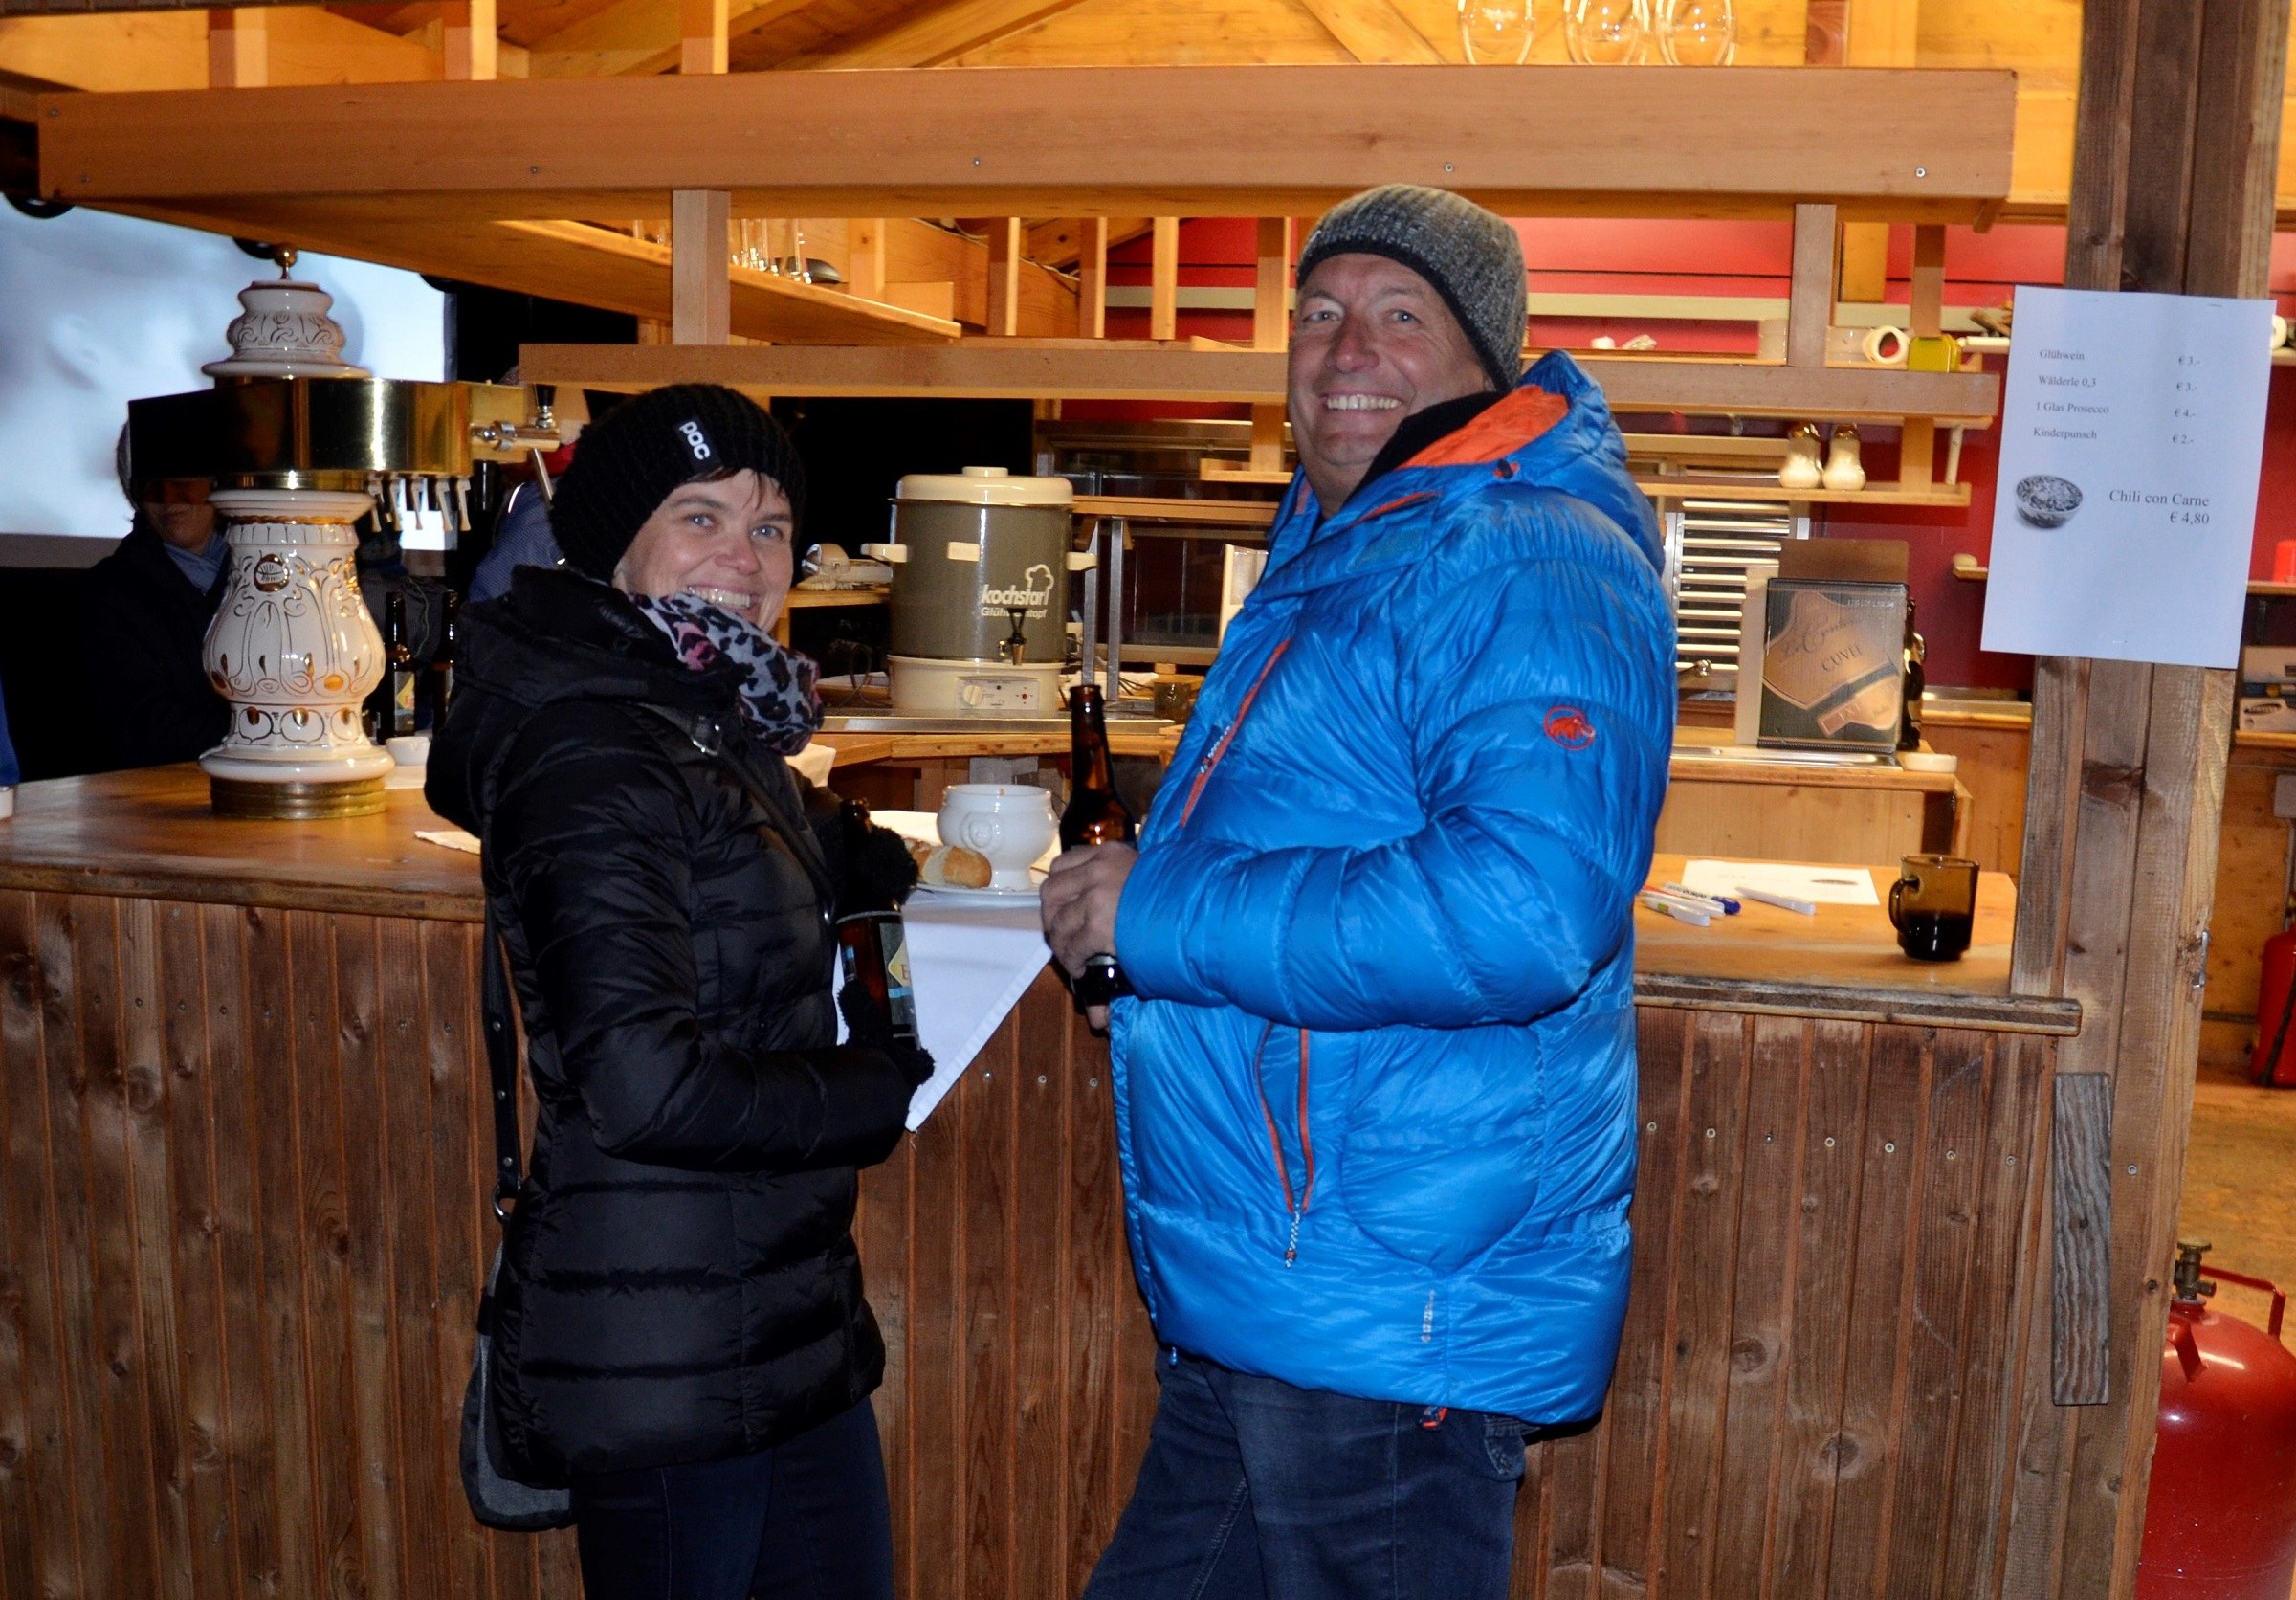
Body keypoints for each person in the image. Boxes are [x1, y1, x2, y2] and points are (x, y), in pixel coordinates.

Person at [1040, 186, 1676, 1597]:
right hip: (1292, 1274)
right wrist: (1150, 970)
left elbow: (1519, 912)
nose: (1346, 351)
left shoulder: (1522, 551)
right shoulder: (1355, 543)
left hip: (1397, 1292)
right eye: (1320, 314)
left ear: (1485, 362)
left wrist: (1156, 917)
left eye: (1400, 316)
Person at [426, 383, 929, 1600]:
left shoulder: (697, 711)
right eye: (699, 516)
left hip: (772, 1315)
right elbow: (644, 1085)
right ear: (616, 543)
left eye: (769, 528)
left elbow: (729, 837)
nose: (743, 560)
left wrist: (846, 850)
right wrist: (866, 1093)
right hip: (665, 1346)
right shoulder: (591, 747)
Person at [80, 426, 231, 769]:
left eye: (184, 477)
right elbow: (146, 726)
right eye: (151, 482)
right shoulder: (108, 593)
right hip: (164, 792)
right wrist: (268, 739)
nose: (169, 498)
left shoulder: (268, 572)